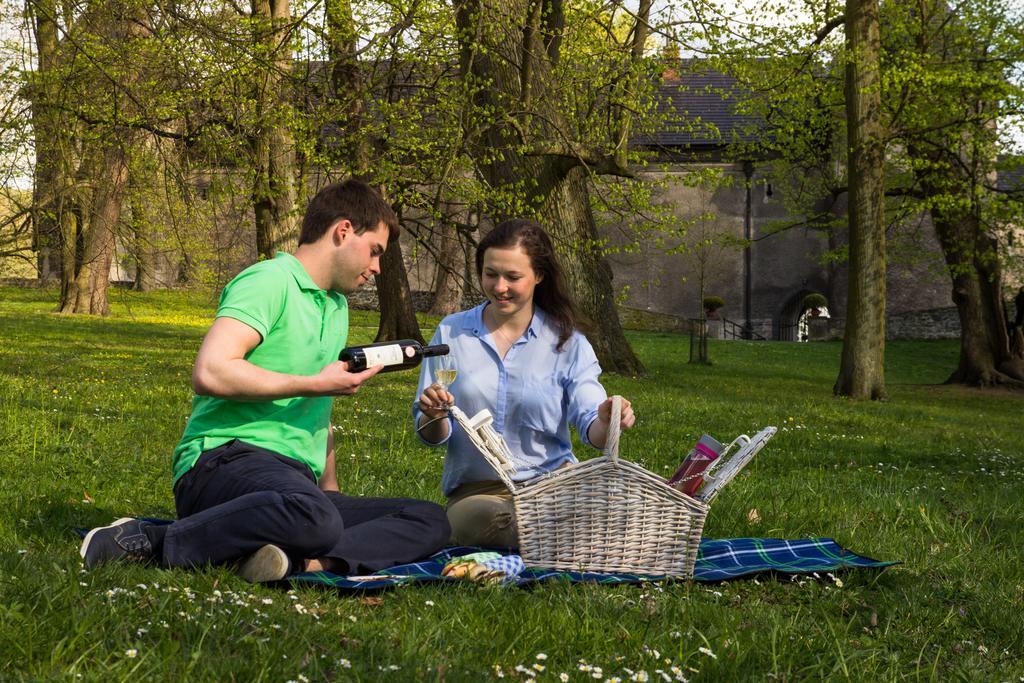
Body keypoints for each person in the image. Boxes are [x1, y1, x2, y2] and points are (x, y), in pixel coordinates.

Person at [81, 179, 450, 581]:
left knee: (429, 518)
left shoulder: (335, 305)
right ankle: (146, 541)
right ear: (343, 231)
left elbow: (317, 411)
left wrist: (330, 490)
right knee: (314, 515)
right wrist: (313, 384)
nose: (377, 267)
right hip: (223, 461)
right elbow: (210, 370)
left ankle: (298, 562)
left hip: (293, 486)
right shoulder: (269, 281)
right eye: (375, 251)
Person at [413, 219, 636, 549]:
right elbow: (429, 435)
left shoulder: (567, 343)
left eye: (512, 277)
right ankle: (578, 539)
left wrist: (607, 418)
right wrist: (433, 415)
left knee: (611, 505)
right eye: (491, 274)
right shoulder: (452, 333)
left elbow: (595, 431)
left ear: (539, 276)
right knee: (495, 521)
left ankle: (569, 533)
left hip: (553, 490)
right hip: (480, 496)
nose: (499, 286)